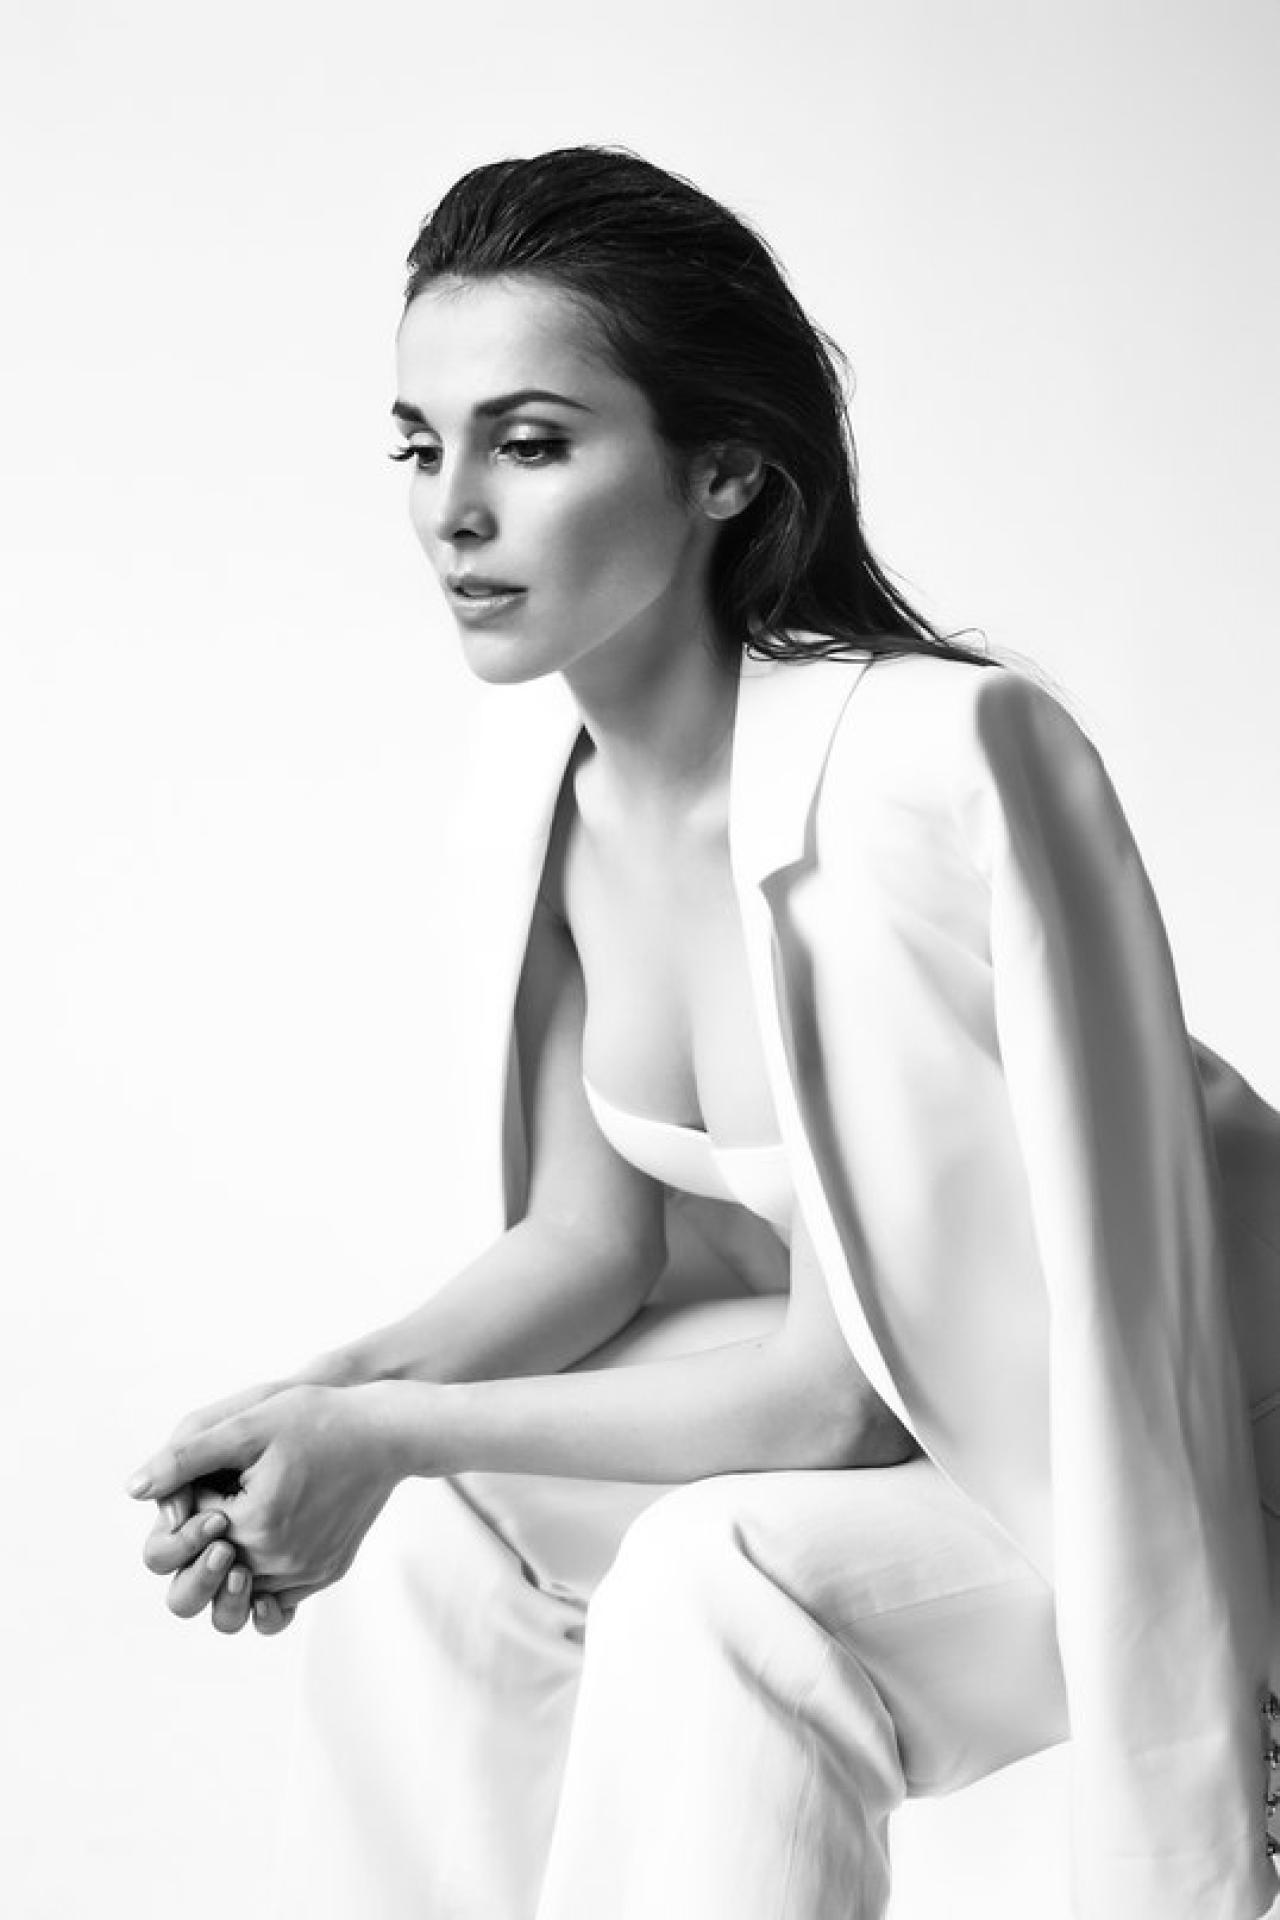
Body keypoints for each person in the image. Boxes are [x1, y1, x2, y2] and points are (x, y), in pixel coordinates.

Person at [126, 146, 1280, 1920]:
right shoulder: (543, 778)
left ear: (726, 470)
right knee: (444, 1526)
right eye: (420, 446)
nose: (452, 513)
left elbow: (836, 1402)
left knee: (715, 1577)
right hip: (933, 1417)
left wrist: (390, 1429)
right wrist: (326, 1405)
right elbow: (590, 1242)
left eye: (529, 444)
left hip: (1155, 1457)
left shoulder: (926, 770)